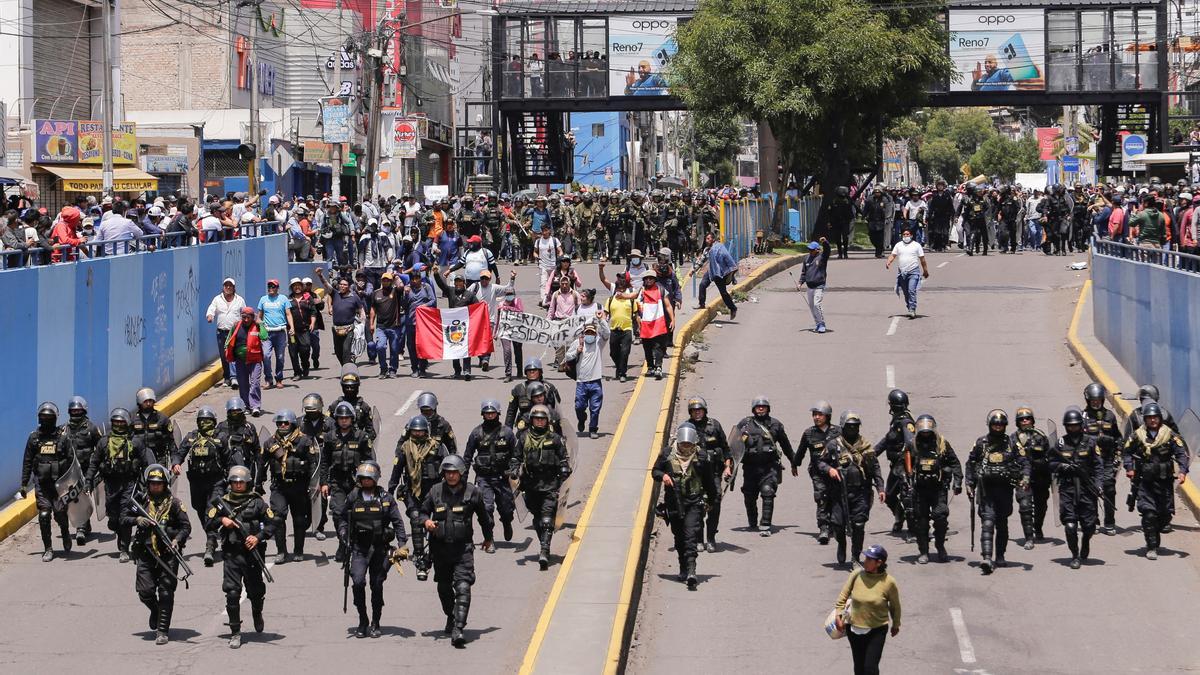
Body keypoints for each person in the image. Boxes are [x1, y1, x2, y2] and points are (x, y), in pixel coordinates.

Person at [420, 454, 493, 647]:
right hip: (440, 550)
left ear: (461, 473)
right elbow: (422, 512)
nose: (451, 476)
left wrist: (488, 538)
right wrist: (426, 521)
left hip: (463, 550)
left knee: (463, 586)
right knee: (444, 588)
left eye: (454, 473)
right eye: (447, 473)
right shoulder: (435, 491)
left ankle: (459, 629)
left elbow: (484, 517)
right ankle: (451, 616)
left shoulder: (473, 493)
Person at [338, 461, 407, 638]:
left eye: (368, 479)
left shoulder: (386, 498)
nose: (365, 481)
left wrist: (402, 545)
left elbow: (398, 522)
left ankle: (376, 621)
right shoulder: (353, 496)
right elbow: (343, 518)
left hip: (379, 549)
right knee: (358, 582)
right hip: (359, 549)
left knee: (377, 584)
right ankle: (363, 620)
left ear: (375, 479)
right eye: (362, 478)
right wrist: (343, 533)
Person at [207, 465, 273, 649]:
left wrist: (258, 537)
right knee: (232, 592)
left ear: (247, 483)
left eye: (241, 482)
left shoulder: (257, 502)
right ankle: (235, 632)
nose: (237, 485)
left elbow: (272, 523)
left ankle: (257, 613)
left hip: (253, 554)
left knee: (256, 591)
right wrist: (222, 520)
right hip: (232, 554)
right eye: (234, 482)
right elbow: (208, 522)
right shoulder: (222, 503)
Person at [124, 464, 191, 645]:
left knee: (166, 592)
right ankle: (155, 609)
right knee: (145, 592)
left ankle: (162, 631)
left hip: (168, 554)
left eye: (159, 483)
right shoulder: (140, 501)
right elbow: (122, 518)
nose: (155, 486)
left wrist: (177, 540)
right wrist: (137, 519)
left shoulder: (175, 504)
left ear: (165, 484)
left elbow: (186, 527)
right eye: (152, 483)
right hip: (146, 553)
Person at [654, 425, 718, 589]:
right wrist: (664, 476)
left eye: (689, 445)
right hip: (674, 503)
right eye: (684, 445)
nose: (686, 448)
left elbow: (709, 482)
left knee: (691, 537)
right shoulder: (667, 454)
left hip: (694, 502)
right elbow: (655, 471)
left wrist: (712, 501)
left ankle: (691, 571)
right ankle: (683, 567)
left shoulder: (701, 457)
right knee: (679, 538)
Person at [965, 410, 1030, 574]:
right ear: (990, 425)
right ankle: (987, 557)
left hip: (1005, 490)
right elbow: (971, 463)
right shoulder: (981, 443)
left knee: (1002, 523)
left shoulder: (1012, 443)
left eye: (1001, 425)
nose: (998, 427)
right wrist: (969, 483)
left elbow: (1024, 461)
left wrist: (1025, 477)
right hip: (986, 491)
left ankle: (1000, 556)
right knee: (987, 522)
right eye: (995, 424)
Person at [1123, 403, 1190, 560]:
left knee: (1164, 517)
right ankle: (1151, 546)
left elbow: (1181, 453)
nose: (1153, 420)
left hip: (1164, 482)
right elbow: (1127, 452)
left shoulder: (1170, 435)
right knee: (1149, 515)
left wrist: (1182, 471)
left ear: (1160, 418)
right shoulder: (1137, 436)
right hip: (1145, 483)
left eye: (1155, 417)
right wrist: (1129, 468)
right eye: (1149, 418)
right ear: (1145, 419)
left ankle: (1156, 533)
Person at [87, 408, 155, 563]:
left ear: (127, 423)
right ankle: (120, 534)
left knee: (125, 515)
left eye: (121, 422)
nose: (118, 424)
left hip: (129, 484)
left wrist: (149, 484)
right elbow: (95, 463)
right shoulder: (104, 442)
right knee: (114, 520)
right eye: (116, 422)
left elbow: (146, 463)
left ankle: (124, 548)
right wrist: (88, 481)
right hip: (110, 485)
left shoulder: (135, 442)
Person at [389, 415, 452, 581]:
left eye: (421, 431)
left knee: (437, 525)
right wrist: (389, 491)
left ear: (427, 431)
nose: (417, 434)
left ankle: (432, 555)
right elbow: (396, 471)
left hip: (434, 493)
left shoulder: (437, 448)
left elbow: (448, 470)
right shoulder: (405, 448)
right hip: (413, 492)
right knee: (417, 521)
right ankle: (419, 558)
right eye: (414, 432)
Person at [818, 412, 885, 567]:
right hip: (839, 493)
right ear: (843, 427)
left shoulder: (865, 446)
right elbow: (820, 462)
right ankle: (841, 544)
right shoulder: (834, 444)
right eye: (849, 426)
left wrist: (880, 487)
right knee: (838, 525)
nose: (853, 429)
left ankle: (855, 557)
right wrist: (830, 469)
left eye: (855, 426)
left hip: (861, 493)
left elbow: (875, 467)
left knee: (859, 525)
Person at [511, 404, 571, 569]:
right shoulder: (523, 438)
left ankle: (544, 550)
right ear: (531, 420)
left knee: (546, 519)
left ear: (547, 421)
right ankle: (544, 541)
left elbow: (564, 457)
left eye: (542, 419)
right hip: (530, 485)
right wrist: (514, 470)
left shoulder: (555, 439)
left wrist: (564, 467)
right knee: (537, 520)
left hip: (550, 484)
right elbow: (515, 458)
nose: (539, 422)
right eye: (536, 419)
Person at [171, 407, 232, 567]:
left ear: (214, 421)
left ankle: (210, 546)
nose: (205, 423)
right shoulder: (191, 437)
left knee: (210, 511)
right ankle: (212, 533)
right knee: (199, 508)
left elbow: (229, 461)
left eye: (208, 420)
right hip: (196, 483)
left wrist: (234, 479)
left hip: (216, 482)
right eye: (202, 420)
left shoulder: (221, 438)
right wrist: (176, 463)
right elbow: (179, 453)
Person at [260, 409, 318, 564]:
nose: (283, 425)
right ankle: (281, 551)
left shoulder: (304, 441)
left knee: (299, 520)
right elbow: (262, 464)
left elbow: (314, 463)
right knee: (277, 517)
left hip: (299, 486)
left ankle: (298, 550)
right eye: (279, 423)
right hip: (279, 487)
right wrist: (258, 484)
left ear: (292, 423)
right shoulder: (270, 443)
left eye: (286, 422)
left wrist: (314, 484)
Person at [321, 402, 377, 563]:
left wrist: (369, 482)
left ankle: (356, 544)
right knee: (338, 513)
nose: (344, 421)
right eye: (341, 418)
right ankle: (343, 542)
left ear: (352, 419)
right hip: (337, 481)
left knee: (358, 513)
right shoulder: (330, 437)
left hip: (357, 482)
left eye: (346, 418)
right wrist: (324, 483)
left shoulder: (361, 437)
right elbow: (324, 462)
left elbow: (369, 460)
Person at [1049, 409, 1105, 569]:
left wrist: (1099, 485)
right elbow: (1051, 464)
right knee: (1070, 525)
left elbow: (1098, 466)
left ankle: (1085, 542)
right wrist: (1063, 466)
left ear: (1081, 425)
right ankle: (1075, 555)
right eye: (1070, 426)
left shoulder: (1090, 442)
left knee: (1089, 526)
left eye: (1075, 426)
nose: (1073, 429)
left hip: (1087, 488)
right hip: (1067, 489)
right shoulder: (1060, 443)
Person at [834, 544, 901, 675]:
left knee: (870, 668)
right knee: (859, 668)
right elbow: (842, 597)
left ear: (879, 563)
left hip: (877, 630)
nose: (865, 562)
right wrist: (839, 615)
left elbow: (895, 605)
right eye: (865, 558)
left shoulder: (888, 582)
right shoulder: (856, 575)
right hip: (854, 629)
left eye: (869, 559)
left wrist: (896, 624)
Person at [20, 402, 75, 561]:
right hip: (42, 483)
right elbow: (27, 462)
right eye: (43, 417)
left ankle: (65, 533)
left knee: (60, 513)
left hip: (60, 485)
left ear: (55, 418)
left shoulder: (63, 438)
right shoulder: (34, 438)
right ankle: (48, 548)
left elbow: (72, 462)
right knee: (44, 515)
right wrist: (24, 485)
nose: (46, 420)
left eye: (49, 417)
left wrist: (74, 484)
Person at [734, 396, 795, 537]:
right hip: (750, 468)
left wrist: (794, 461)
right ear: (753, 409)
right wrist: (729, 464)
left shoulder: (776, 425)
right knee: (749, 496)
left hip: (769, 467)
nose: (761, 408)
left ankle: (766, 524)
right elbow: (733, 445)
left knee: (768, 492)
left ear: (768, 408)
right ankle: (752, 520)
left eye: (763, 406)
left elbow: (786, 445)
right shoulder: (745, 424)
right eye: (758, 406)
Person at [905, 414, 962, 563]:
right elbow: (902, 466)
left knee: (941, 518)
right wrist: (906, 481)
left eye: (928, 429)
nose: (925, 432)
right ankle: (923, 551)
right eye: (922, 430)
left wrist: (958, 482)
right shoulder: (912, 445)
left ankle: (940, 546)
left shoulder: (942, 444)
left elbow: (955, 463)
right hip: (919, 490)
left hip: (938, 489)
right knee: (921, 522)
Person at [463, 400, 519, 547]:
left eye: (492, 413)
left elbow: (517, 455)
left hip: (502, 478)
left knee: (506, 509)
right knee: (486, 508)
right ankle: (490, 538)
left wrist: (514, 471)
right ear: (483, 414)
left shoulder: (507, 433)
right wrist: (462, 480)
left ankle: (507, 523)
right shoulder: (476, 433)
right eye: (487, 413)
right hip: (484, 478)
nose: (489, 415)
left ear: (498, 413)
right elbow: (467, 457)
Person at [794, 401, 841, 543]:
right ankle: (824, 528)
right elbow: (801, 451)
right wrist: (795, 464)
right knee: (821, 498)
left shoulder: (838, 431)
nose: (816, 417)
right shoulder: (809, 433)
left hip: (837, 471)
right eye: (814, 415)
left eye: (820, 414)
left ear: (827, 416)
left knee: (836, 498)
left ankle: (836, 524)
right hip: (817, 472)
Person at [1081, 383, 1123, 535]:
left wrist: (1118, 450)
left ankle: (1110, 522)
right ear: (1088, 400)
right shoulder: (1082, 417)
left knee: (1109, 489)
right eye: (1093, 400)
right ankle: (1093, 520)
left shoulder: (1110, 416)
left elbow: (1118, 437)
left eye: (1098, 400)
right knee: (1092, 490)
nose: (1096, 402)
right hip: (1090, 461)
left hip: (1107, 459)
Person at [62, 396, 102, 545]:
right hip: (70, 471)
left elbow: (100, 447)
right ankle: (84, 524)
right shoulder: (63, 430)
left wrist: (98, 469)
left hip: (86, 470)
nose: (76, 413)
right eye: (73, 411)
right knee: (74, 498)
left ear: (84, 411)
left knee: (82, 496)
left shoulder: (91, 428)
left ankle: (81, 529)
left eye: (79, 410)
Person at [1011, 407, 1052, 547]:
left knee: (1041, 506)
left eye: (1027, 418)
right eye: (1021, 419)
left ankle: (1038, 527)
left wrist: (1044, 463)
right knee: (1025, 506)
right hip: (1022, 478)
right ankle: (1028, 537)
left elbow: (1050, 456)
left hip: (1040, 477)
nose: (1025, 421)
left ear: (1032, 420)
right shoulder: (1012, 439)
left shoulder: (1040, 436)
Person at [433, 268, 480, 380]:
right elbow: (441, 285)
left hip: (465, 326)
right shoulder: (450, 291)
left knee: (465, 348)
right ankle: (457, 370)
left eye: (460, 282)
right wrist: (435, 274)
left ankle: (467, 370)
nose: (458, 284)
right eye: (456, 282)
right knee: (454, 348)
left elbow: (477, 308)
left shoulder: (470, 295)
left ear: (464, 284)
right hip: (452, 327)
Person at [566, 320, 610, 438]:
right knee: (579, 406)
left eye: (592, 333)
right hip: (581, 382)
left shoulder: (599, 343)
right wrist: (576, 351)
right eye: (587, 333)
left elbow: (607, 333)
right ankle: (582, 419)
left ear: (595, 334)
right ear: (584, 334)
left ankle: (593, 429)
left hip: (595, 381)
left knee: (595, 408)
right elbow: (567, 356)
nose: (589, 335)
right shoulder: (578, 343)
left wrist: (601, 320)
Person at [315, 267, 366, 366]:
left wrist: (362, 325)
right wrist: (320, 275)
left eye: (345, 285)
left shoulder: (354, 297)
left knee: (346, 350)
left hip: (349, 329)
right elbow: (326, 285)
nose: (342, 286)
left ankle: (348, 370)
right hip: (336, 329)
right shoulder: (335, 294)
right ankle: (347, 367)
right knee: (338, 352)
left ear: (349, 286)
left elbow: (361, 311)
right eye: (341, 284)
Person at [224, 307, 266, 416]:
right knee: (243, 385)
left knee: (255, 383)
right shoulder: (236, 326)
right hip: (240, 361)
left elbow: (264, 336)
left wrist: (260, 324)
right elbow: (229, 339)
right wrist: (226, 348)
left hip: (254, 360)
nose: (246, 320)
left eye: (248, 317)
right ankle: (246, 406)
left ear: (253, 317)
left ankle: (255, 406)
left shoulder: (257, 326)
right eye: (244, 317)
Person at [206, 278, 246, 388]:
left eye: (230, 286)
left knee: (232, 353)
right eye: (226, 285)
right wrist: (210, 316)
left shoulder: (239, 300)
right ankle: (227, 377)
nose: (228, 287)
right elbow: (211, 308)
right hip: (221, 332)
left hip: (234, 332)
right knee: (224, 356)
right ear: (223, 287)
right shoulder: (217, 299)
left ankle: (234, 377)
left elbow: (244, 313)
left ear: (234, 288)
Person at [637, 269, 674, 380]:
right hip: (645, 324)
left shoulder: (661, 290)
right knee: (647, 347)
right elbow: (636, 303)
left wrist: (673, 319)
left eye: (651, 278)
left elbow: (668, 305)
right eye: (646, 278)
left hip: (658, 323)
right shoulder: (641, 291)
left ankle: (658, 367)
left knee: (658, 347)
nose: (648, 280)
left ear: (654, 280)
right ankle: (650, 367)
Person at [885, 228, 929, 319]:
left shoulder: (916, 246)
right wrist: (888, 262)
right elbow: (893, 255)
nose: (906, 236)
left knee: (911, 290)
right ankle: (909, 307)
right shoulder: (898, 245)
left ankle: (912, 309)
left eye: (907, 234)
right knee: (906, 292)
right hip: (902, 273)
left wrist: (925, 271)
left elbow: (922, 260)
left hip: (913, 272)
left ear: (911, 235)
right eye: (904, 234)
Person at [505, 357, 563, 427]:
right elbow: (511, 412)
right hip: (525, 426)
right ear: (525, 372)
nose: (531, 372)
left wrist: (559, 428)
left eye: (534, 370)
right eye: (529, 370)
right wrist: (507, 431)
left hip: (545, 425)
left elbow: (556, 409)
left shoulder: (549, 388)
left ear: (540, 372)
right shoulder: (519, 389)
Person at [368, 271, 404, 379]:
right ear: (381, 281)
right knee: (380, 347)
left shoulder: (396, 291)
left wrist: (396, 276)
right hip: (381, 327)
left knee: (394, 349)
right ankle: (383, 369)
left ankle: (393, 369)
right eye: (384, 280)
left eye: (388, 280)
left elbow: (401, 286)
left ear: (391, 281)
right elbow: (373, 309)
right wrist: (371, 324)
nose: (386, 282)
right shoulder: (376, 293)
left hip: (394, 326)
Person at [603, 273, 638, 382]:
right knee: (613, 353)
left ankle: (623, 373)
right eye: (618, 288)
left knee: (624, 352)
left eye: (622, 288)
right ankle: (619, 367)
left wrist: (639, 328)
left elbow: (636, 316)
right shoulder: (610, 299)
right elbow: (605, 314)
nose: (620, 290)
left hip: (627, 330)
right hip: (614, 330)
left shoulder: (631, 300)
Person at [132, 387, 177, 467]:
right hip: (139, 459)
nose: (148, 404)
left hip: (159, 458)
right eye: (145, 401)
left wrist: (175, 462)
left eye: (150, 401)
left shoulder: (162, 419)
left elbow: (171, 442)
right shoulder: (133, 420)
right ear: (139, 402)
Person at [286, 278, 317, 379]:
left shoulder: (308, 298)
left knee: (306, 348)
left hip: (304, 329)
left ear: (302, 286)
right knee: (293, 352)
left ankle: (305, 365)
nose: (297, 287)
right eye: (295, 286)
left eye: (299, 285)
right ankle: (297, 372)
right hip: (292, 331)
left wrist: (312, 323)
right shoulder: (288, 299)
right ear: (292, 288)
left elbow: (313, 311)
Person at [800, 237, 831, 333]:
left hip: (819, 285)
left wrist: (825, 242)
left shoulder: (822, 257)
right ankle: (817, 323)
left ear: (817, 250)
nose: (810, 251)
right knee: (812, 306)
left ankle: (822, 324)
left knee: (817, 304)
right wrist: (800, 282)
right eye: (809, 249)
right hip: (810, 286)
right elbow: (804, 272)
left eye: (812, 250)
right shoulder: (807, 259)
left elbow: (828, 250)